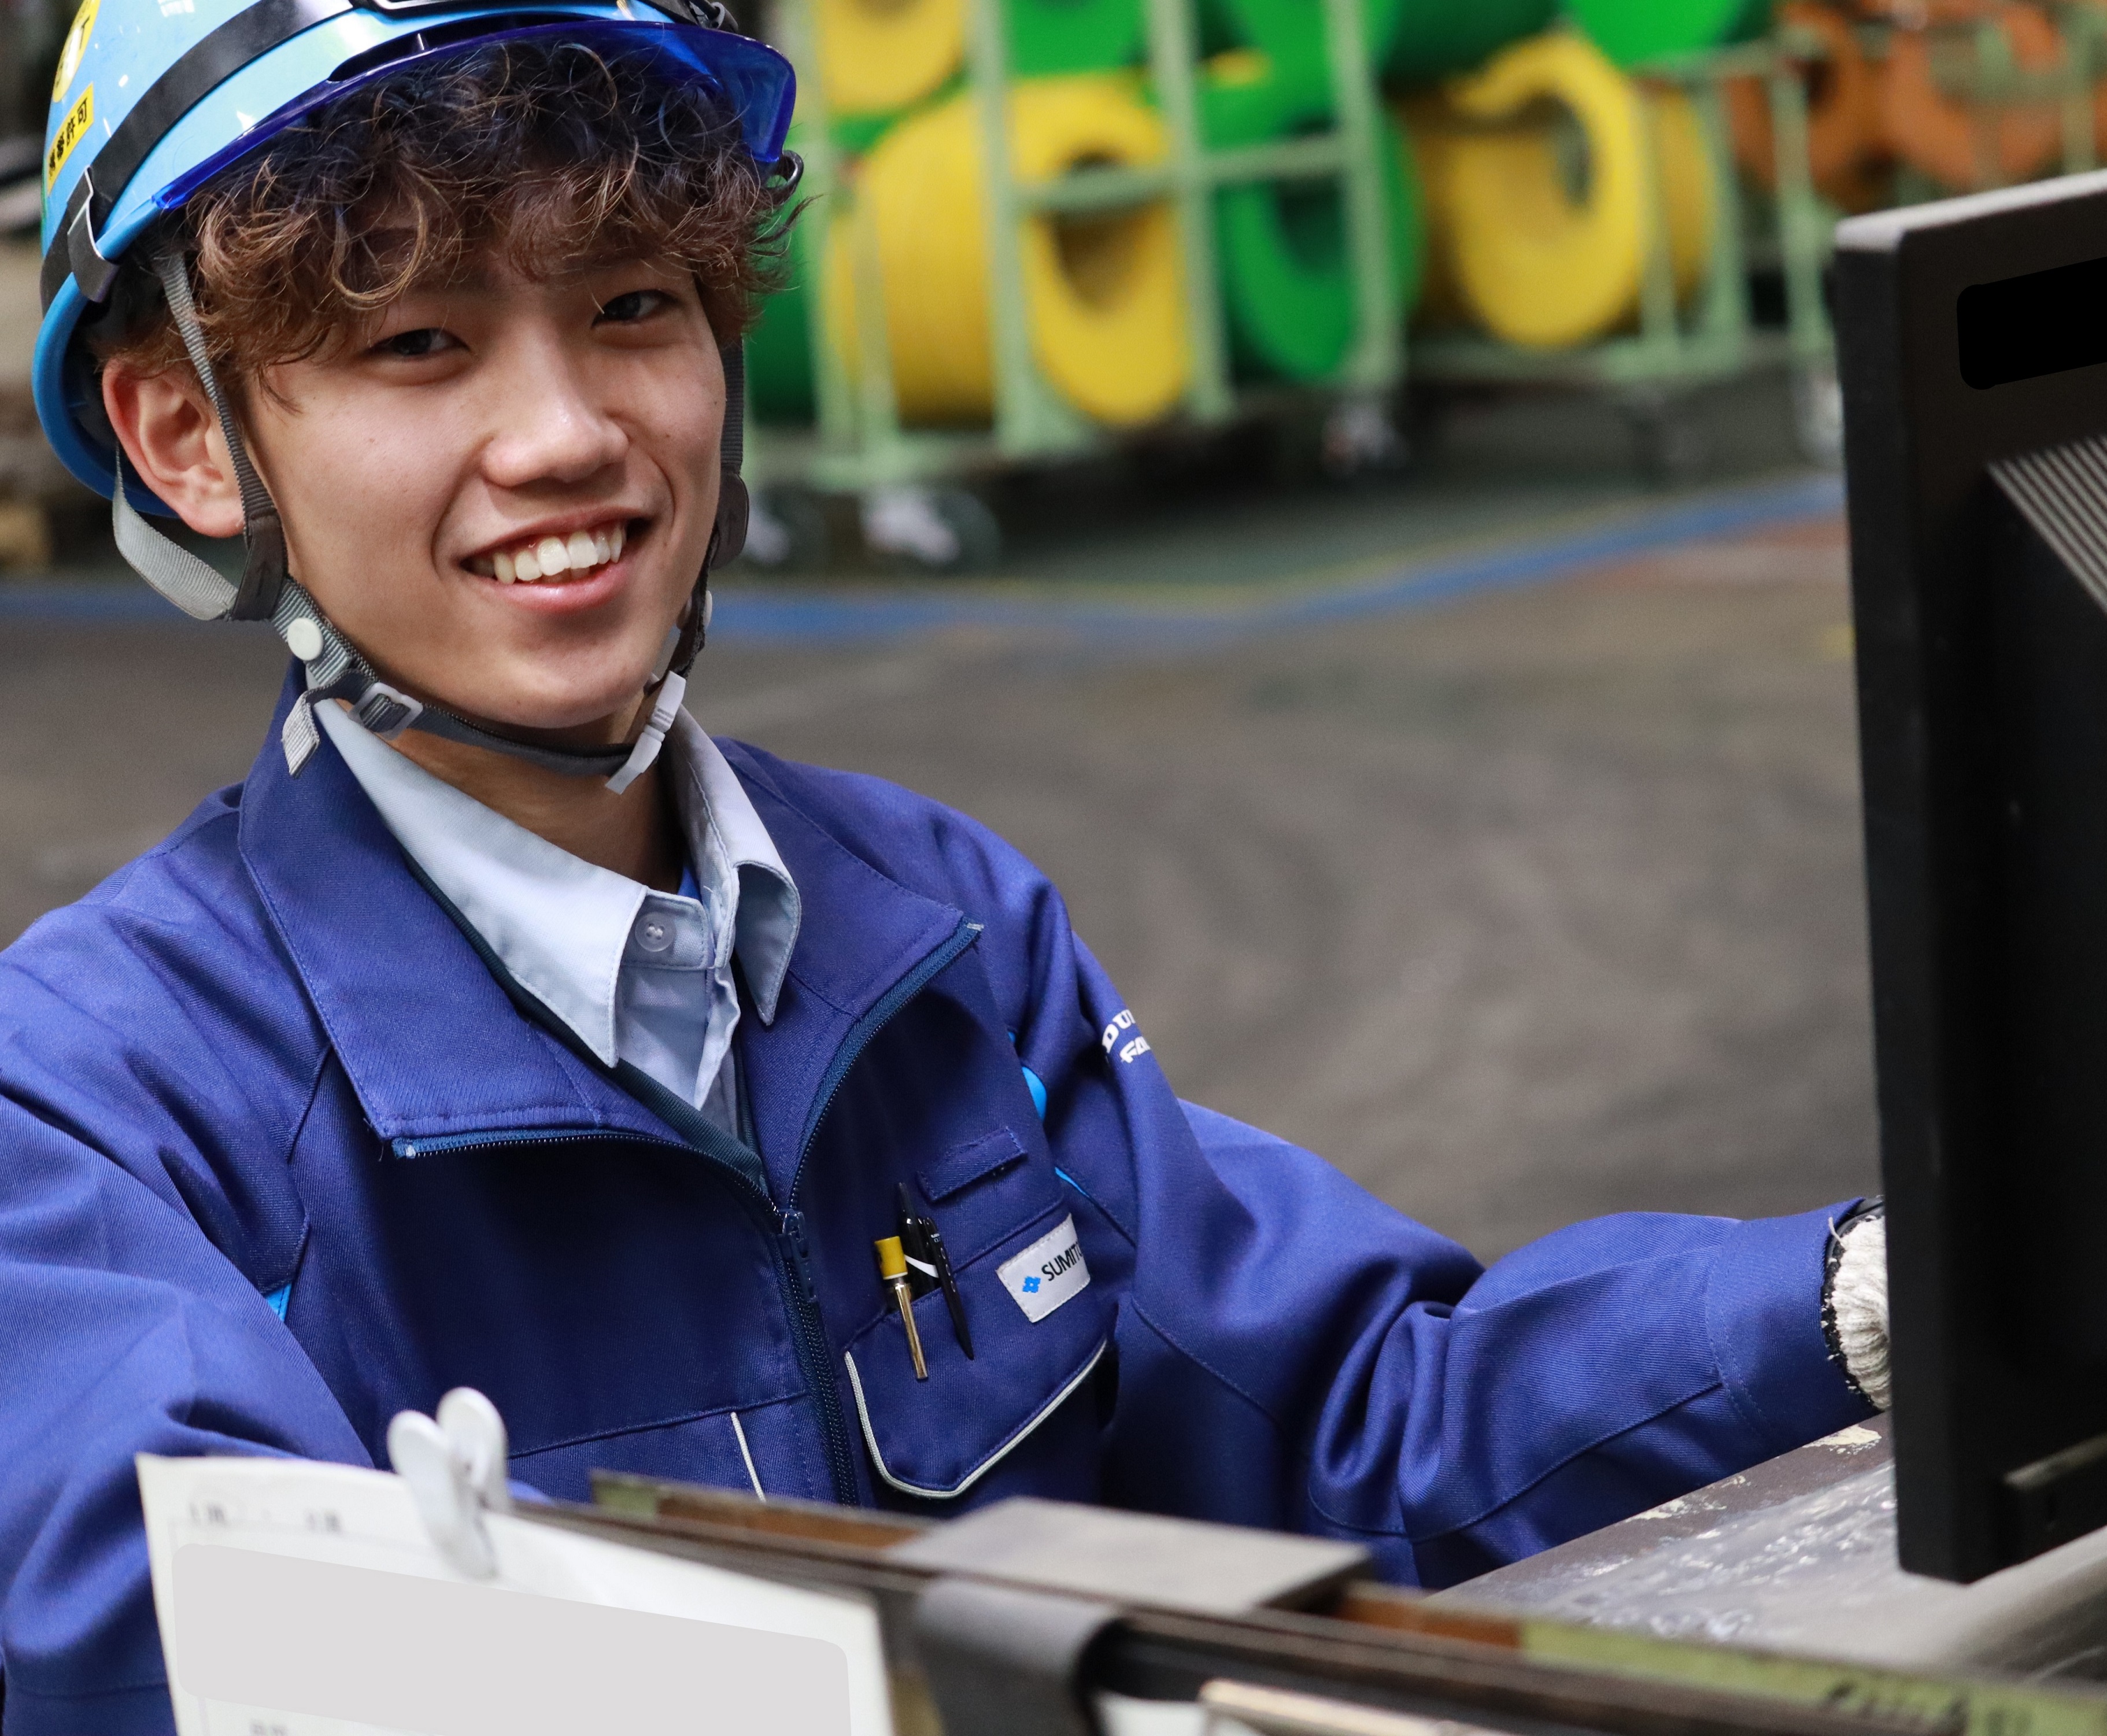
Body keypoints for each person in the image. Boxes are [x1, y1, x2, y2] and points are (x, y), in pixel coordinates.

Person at [0, 0, 1891, 1726]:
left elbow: (1345, 1427)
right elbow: (220, 1659)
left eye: (634, 306)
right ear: (189, 438)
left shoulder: (931, 928)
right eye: (422, 343)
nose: (567, 434)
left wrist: (1862, 1304)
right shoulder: (93, 1110)